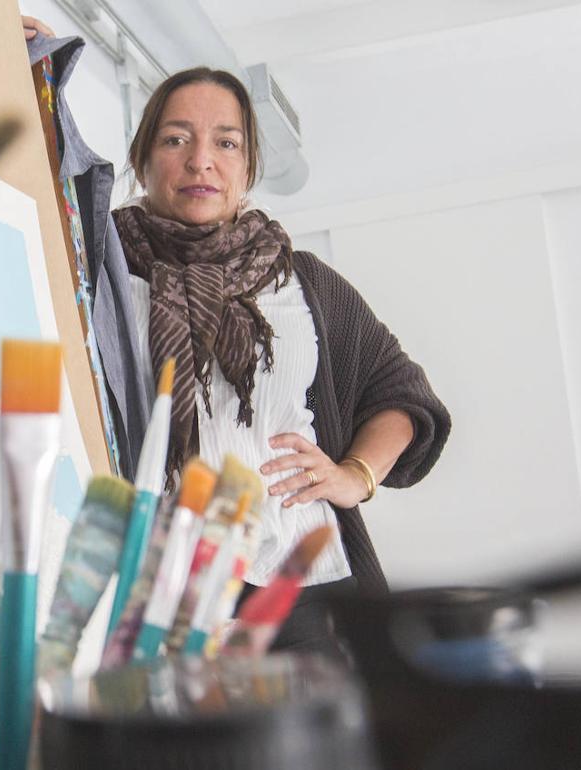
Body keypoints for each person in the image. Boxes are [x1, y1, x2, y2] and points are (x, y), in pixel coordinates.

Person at [91, 67, 452, 657]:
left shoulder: (301, 282)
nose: (200, 160)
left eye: (225, 143)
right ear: (142, 156)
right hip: (160, 582)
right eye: (176, 139)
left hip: (301, 579)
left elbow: (402, 394)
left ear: (249, 166)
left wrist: (355, 476)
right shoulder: (101, 276)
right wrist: (22, 62)